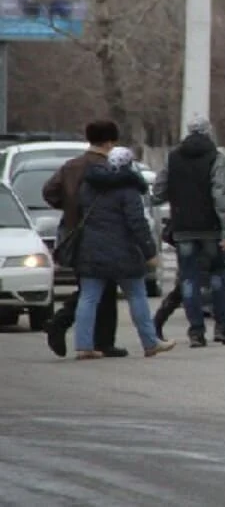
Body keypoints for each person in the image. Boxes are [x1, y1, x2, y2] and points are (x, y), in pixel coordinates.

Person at [152, 115, 225, 348]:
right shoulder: (216, 157)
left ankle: (196, 331)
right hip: (211, 228)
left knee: (189, 279)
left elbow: (158, 191)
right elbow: (220, 196)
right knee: (218, 276)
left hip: (183, 228)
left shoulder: (173, 157)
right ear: (209, 132)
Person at [73, 147, 175, 359]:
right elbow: (137, 223)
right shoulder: (129, 190)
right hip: (124, 252)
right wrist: (149, 252)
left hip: (92, 249)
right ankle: (150, 342)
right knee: (137, 295)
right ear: (130, 165)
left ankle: (84, 345)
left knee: (89, 298)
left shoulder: (90, 186)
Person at [41, 120, 125, 358]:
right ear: (110, 141)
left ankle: (65, 325)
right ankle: (98, 339)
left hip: (74, 234)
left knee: (89, 286)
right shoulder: (108, 168)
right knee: (104, 288)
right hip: (103, 235)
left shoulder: (71, 166)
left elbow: (49, 191)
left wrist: (69, 210)